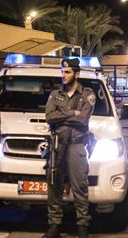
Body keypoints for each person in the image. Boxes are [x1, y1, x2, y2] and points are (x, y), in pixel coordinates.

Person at [43, 58, 96, 238]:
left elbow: (83, 119)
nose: (63, 75)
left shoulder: (87, 94)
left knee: (80, 186)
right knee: (54, 185)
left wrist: (62, 116)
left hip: (76, 146)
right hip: (56, 145)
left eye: (67, 72)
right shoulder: (55, 94)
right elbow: (49, 117)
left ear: (77, 74)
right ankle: (54, 225)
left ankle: (82, 227)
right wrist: (73, 112)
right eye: (62, 72)